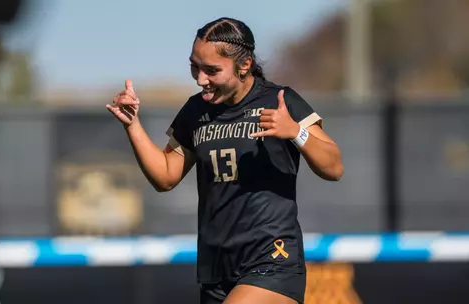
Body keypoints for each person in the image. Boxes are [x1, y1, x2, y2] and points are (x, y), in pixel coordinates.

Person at [106, 17, 344, 304]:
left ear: (244, 65)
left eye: (211, 70)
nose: (200, 79)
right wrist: (132, 126)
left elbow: (334, 167)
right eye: (195, 66)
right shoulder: (196, 110)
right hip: (216, 266)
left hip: (271, 261)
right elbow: (166, 176)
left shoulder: (280, 101)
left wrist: (296, 131)